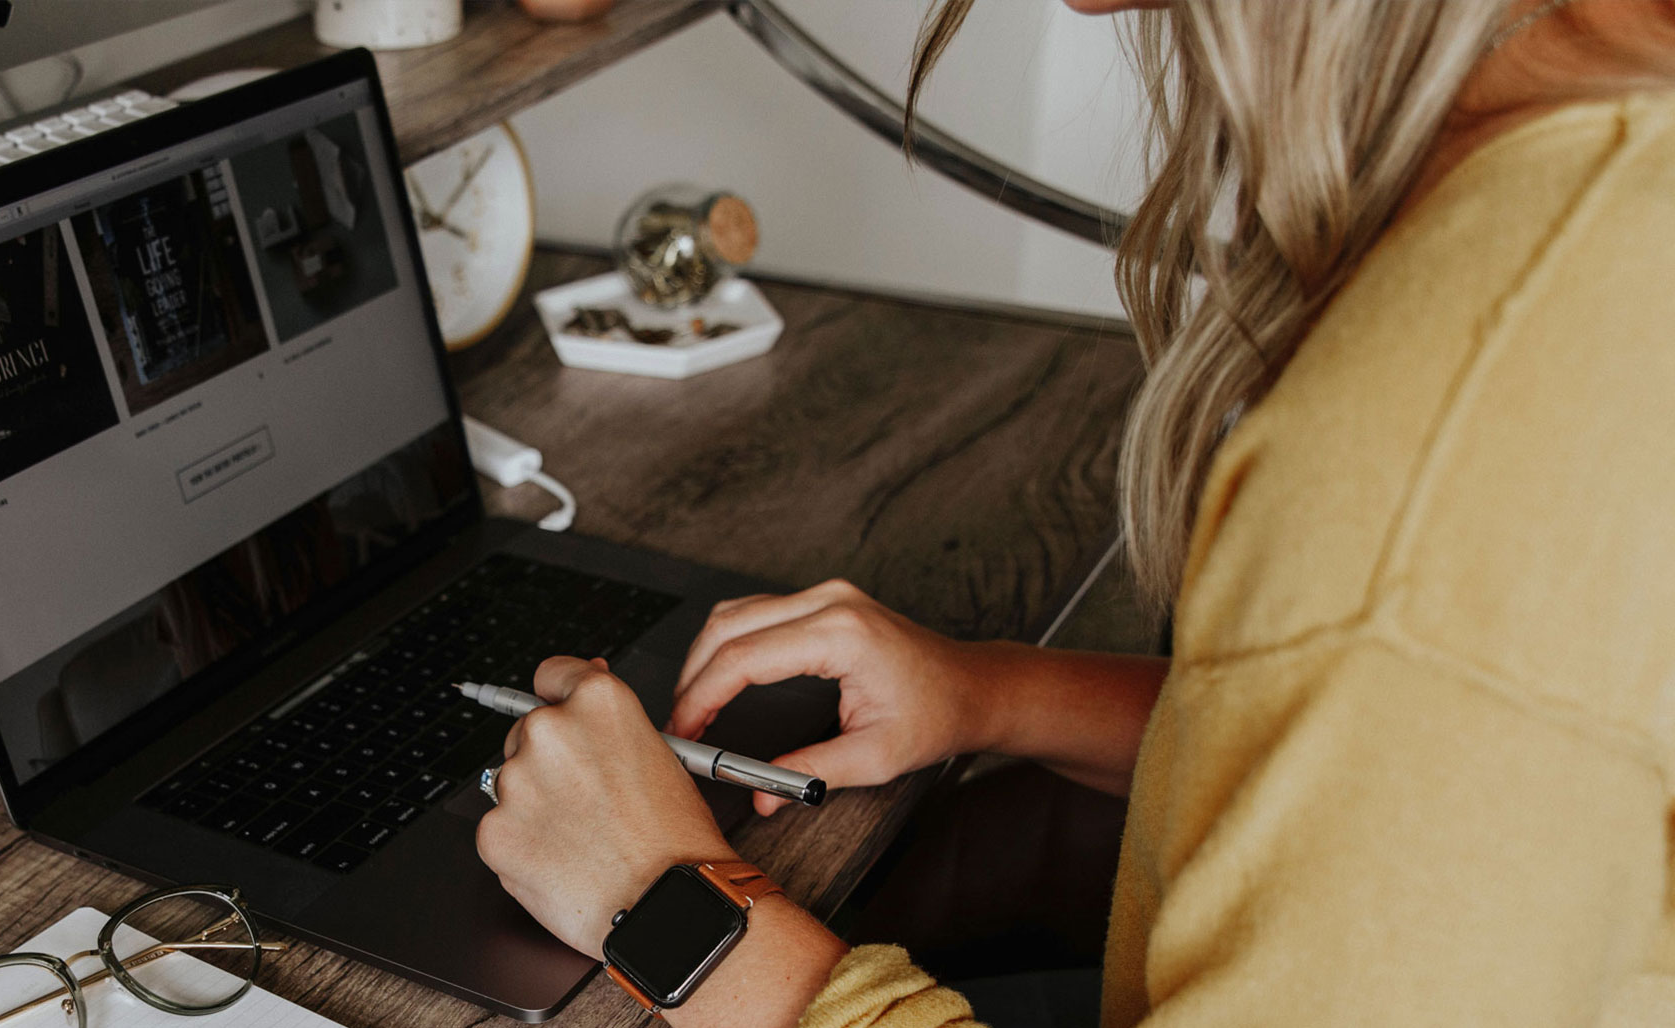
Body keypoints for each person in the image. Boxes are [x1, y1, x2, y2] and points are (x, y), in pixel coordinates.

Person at [473, 1, 1675, 1024]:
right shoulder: (1601, 186)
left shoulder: (1440, 435)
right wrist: (990, 688)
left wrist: (661, 891)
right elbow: (1389, 761)